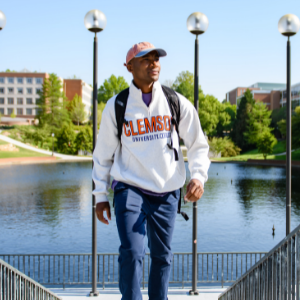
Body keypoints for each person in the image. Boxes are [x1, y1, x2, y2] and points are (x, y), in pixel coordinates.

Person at [92, 41, 210, 300]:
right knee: (133, 252)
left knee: (162, 256)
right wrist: (100, 195)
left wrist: (198, 176)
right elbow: (102, 156)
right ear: (130, 67)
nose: (154, 63)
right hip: (130, 188)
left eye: (156, 58)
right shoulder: (117, 106)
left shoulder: (175, 101)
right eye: (146, 59)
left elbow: (199, 144)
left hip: (167, 191)